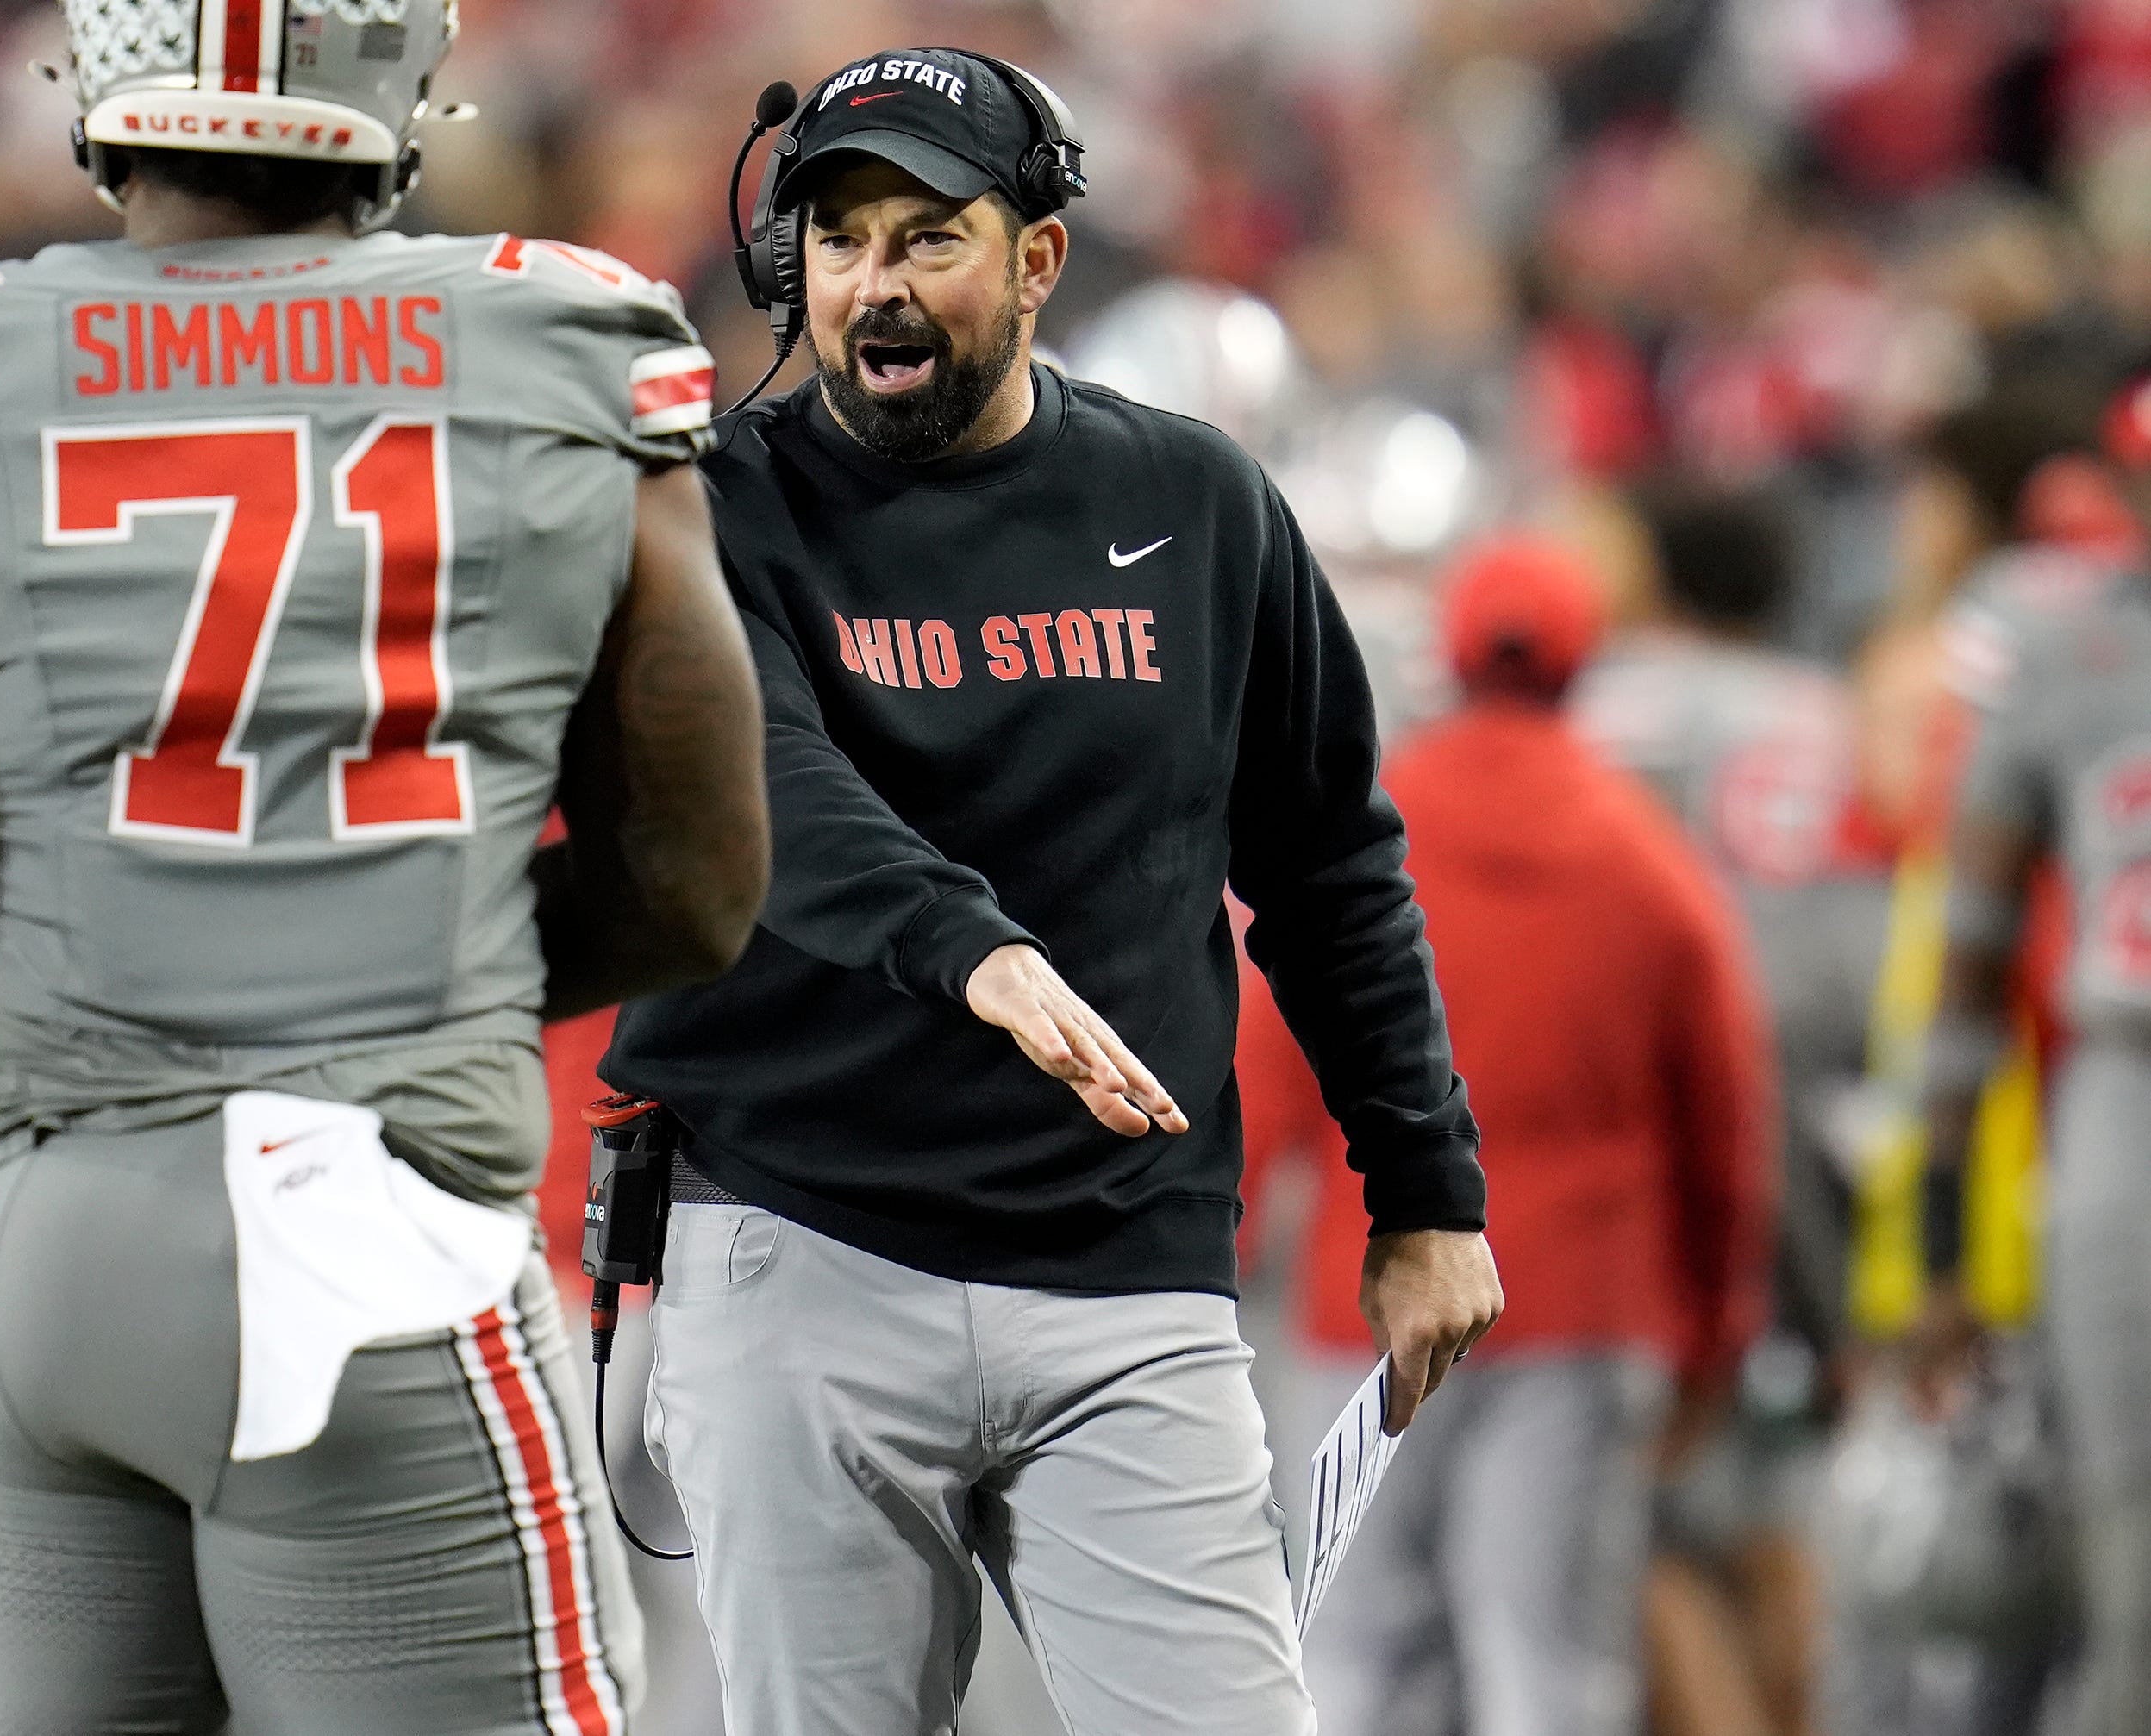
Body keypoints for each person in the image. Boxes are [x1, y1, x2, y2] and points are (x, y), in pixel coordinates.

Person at [0, 5, 770, 1731]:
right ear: (402, 81)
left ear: (102, 83)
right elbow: (702, 876)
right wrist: (401, 964)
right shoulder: (564, 345)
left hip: (20, 1243)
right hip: (365, 1232)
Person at [604, 47, 1503, 1736]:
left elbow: (1329, 862)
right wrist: (975, 953)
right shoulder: (717, 504)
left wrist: (1428, 1188)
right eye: (843, 237)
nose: (876, 280)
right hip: (800, 1241)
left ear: (1037, 261)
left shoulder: (1198, 504)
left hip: (1126, 1268)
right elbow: (765, 786)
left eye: (929, 235)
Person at [1291, 538, 1776, 1736]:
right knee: (1550, 1669)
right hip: (1580, 1304)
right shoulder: (1649, 862)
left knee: (1356, 1661)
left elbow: (1258, 1053)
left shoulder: (1360, 835)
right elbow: (1725, 1126)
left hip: (1368, 1292)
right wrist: (1717, 1327)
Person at [1572, 485, 1880, 1736]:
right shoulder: (1825, 710)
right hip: (1826, 1106)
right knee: (1781, 1488)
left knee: (1642, 1511)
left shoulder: (1614, 701)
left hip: (1655, 1111)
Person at [1913, 374, 2151, 1736]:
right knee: (2129, 1552)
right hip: (2125, 1081)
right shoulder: (2064, 647)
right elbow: (1970, 954)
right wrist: (1942, 1227)